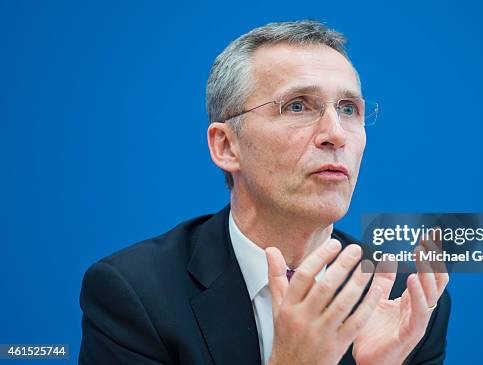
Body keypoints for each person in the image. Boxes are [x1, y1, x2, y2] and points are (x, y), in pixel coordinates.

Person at [78, 20, 450, 365]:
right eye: (298, 106)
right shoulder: (136, 294)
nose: (336, 134)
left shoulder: (406, 298)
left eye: (348, 108)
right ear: (226, 146)